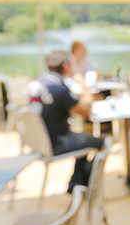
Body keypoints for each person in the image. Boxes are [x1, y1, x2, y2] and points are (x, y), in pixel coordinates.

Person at [27, 50, 105, 192]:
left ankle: (76, 183)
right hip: (55, 143)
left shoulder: (38, 82)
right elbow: (86, 112)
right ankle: (88, 186)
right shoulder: (59, 89)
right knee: (102, 142)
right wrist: (84, 85)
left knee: (83, 139)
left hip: (38, 141)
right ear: (65, 66)